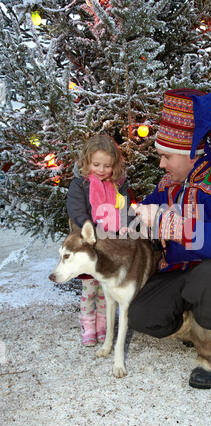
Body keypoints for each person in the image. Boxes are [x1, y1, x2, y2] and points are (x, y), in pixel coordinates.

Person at [128, 88, 211, 389]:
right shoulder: (170, 183)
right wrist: (115, 217)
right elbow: (139, 214)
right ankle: (198, 324)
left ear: (193, 153)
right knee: (141, 315)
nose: (161, 164)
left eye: (166, 156)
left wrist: (166, 223)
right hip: (179, 273)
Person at [66, 133, 128, 346]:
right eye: (96, 164)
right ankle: (87, 323)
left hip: (109, 243)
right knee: (90, 287)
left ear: (114, 165)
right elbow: (75, 209)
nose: (101, 170)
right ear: (86, 162)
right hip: (88, 242)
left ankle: (103, 324)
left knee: (105, 288)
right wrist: (88, 225)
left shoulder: (117, 185)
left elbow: (123, 208)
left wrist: (123, 224)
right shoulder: (80, 184)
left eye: (107, 166)